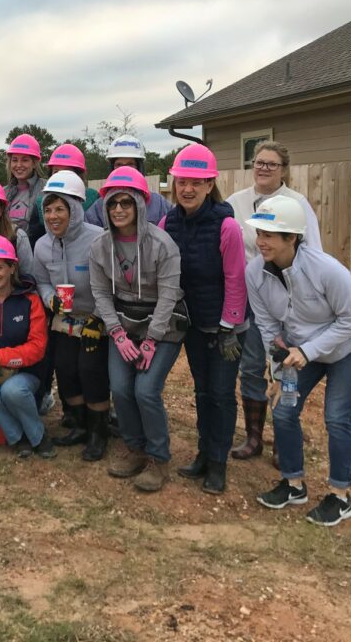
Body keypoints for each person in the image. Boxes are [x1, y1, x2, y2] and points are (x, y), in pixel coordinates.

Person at [246, 196, 351, 526]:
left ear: (292, 238)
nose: (260, 241)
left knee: (337, 415)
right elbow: (267, 325)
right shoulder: (254, 273)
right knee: (283, 409)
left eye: (269, 234)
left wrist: (307, 352)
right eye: (259, 233)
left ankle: (340, 495)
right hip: (300, 352)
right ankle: (294, 485)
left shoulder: (327, 270)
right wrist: (278, 369)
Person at [226, 140, 323, 463]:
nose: (264, 168)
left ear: (284, 170)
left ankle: (284, 437)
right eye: (259, 162)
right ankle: (254, 437)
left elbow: (313, 252)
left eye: (271, 163)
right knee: (251, 366)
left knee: (285, 367)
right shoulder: (236, 203)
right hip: (250, 297)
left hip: (287, 298)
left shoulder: (297, 204)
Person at [89, 166, 185, 491]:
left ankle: (158, 458)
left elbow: (169, 295)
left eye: (125, 203)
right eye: (113, 204)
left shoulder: (163, 245)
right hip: (124, 323)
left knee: (146, 389)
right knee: (119, 387)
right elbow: (101, 293)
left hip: (163, 323)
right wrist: (116, 333)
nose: (118, 210)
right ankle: (134, 447)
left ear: (140, 206)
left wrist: (151, 341)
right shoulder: (100, 247)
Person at [159, 145, 247, 495]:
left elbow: (236, 280)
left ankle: (218, 463)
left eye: (196, 182)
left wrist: (229, 327)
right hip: (192, 324)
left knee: (222, 394)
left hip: (226, 329)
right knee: (202, 390)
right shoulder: (168, 222)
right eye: (182, 182)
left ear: (210, 185)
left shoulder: (227, 227)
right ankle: (203, 453)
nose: (188, 189)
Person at [32, 172, 109, 460]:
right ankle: (77, 423)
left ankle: (98, 431)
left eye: (60, 209)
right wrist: (50, 297)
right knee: (65, 368)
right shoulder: (42, 245)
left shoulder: (98, 240)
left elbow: (111, 284)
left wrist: (99, 317)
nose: (53, 216)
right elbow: (41, 281)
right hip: (64, 317)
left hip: (96, 316)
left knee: (91, 369)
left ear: (75, 210)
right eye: (48, 209)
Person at [0, 235, 52, 458]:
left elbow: (37, 346)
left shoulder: (31, 301)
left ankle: (38, 436)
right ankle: (18, 437)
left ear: (12, 268)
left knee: (13, 390)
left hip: (28, 372)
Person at [84, 134, 171, 227]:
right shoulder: (99, 207)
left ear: (140, 168)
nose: (124, 169)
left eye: (130, 164)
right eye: (119, 164)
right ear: (112, 168)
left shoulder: (159, 204)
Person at [4, 134, 46, 241]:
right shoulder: (3, 192)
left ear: (34, 163)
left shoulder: (46, 189)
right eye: (14, 160)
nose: (18, 165)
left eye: (25, 160)